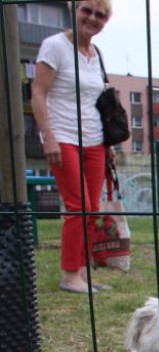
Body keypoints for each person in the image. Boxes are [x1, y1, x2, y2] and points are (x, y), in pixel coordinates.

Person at [31, 1, 115, 294]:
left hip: (95, 139)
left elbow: (100, 101)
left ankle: (82, 272)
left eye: (100, 15)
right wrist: (48, 136)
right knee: (77, 207)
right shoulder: (54, 46)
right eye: (87, 11)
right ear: (75, 11)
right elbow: (38, 93)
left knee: (91, 209)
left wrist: (108, 143)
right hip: (63, 135)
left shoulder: (96, 55)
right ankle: (69, 274)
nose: (93, 18)